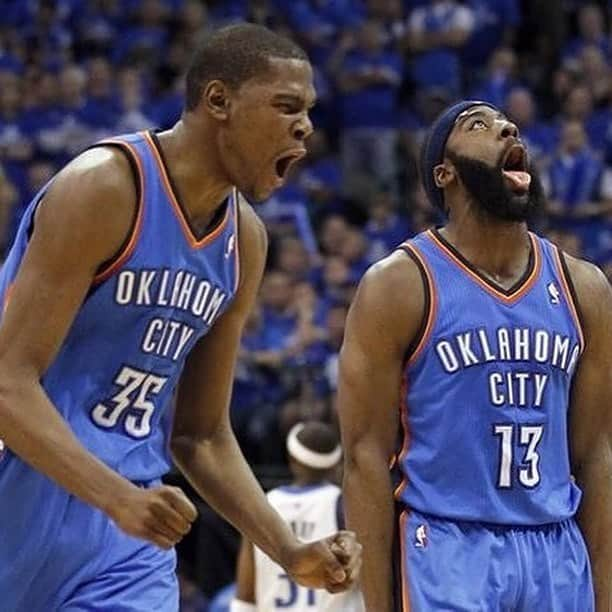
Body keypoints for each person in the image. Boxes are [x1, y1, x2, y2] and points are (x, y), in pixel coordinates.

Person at [0, 23, 361, 612]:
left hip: (127, 528)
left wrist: (288, 552)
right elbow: (7, 384)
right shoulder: (105, 188)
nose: (305, 126)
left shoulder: (245, 241)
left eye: (309, 111)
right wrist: (113, 497)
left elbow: (201, 434)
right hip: (22, 483)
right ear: (218, 101)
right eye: (285, 106)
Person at [338, 100, 611, 610]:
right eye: (478, 126)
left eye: (508, 122)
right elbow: (365, 458)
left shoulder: (585, 287)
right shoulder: (399, 284)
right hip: (447, 547)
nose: (507, 127)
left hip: (555, 548)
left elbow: (595, 456)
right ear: (445, 173)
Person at [232, 421, 365, 612]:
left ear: (291, 458)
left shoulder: (263, 503)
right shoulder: (344, 505)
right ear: (335, 463)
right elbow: (369, 580)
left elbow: (245, 596)